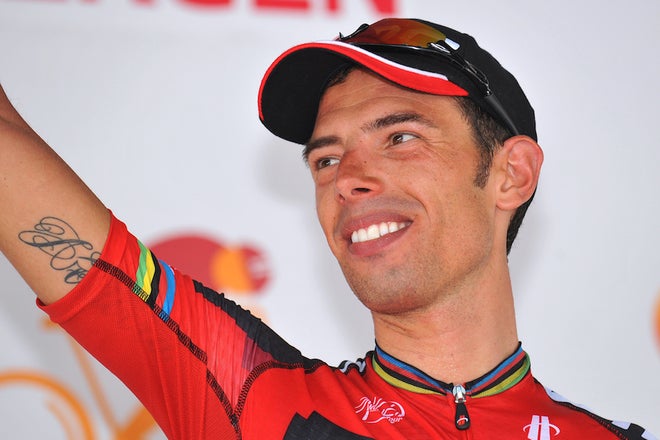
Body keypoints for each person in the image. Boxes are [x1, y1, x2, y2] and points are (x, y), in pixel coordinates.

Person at [0, 17, 654, 440]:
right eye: (327, 159)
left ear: (511, 174)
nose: (348, 179)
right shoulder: (251, 398)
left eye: (400, 137)